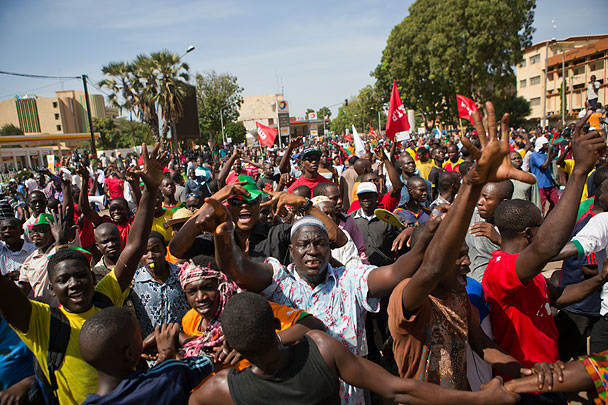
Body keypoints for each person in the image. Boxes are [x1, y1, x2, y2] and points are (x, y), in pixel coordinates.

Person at [207, 201, 449, 404]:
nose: (312, 250)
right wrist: (223, 235)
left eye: (320, 243)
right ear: (291, 251)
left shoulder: (351, 279)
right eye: (303, 244)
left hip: (351, 397)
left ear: (329, 249)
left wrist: (426, 236)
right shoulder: (278, 281)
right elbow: (236, 268)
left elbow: (396, 273)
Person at [0, 143, 169, 404]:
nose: (75, 284)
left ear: (92, 277)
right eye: (63, 280)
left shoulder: (105, 296)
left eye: (80, 275)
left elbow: (134, 247)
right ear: (52, 288)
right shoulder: (41, 322)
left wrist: (150, 189)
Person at [389, 103, 540, 390]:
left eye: (466, 255)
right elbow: (433, 266)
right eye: (457, 258)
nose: (467, 264)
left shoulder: (461, 298)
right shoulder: (409, 298)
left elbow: (482, 344)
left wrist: (528, 374)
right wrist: (473, 182)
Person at [189, 292, 520, 405]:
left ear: (230, 343)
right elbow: (398, 389)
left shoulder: (216, 392)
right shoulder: (320, 349)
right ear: (278, 325)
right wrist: (480, 398)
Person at [482, 112, 608, 403]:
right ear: (528, 234)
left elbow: (559, 296)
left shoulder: (529, 272)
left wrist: (602, 277)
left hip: (550, 378)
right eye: (541, 229)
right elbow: (547, 248)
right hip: (526, 385)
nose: (546, 234)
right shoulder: (502, 270)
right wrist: (578, 173)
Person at [80, 307, 213, 404]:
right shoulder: (168, 377)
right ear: (129, 353)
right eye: (139, 336)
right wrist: (167, 351)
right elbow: (215, 357)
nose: (143, 340)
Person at [132, 231, 190, 338]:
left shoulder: (182, 275)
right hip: (149, 345)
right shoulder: (134, 282)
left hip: (183, 341)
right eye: (145, 252)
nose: (151, 256)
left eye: (156, 250)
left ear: (165, 251)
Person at [465, 181, 514, 283]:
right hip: (471, 287)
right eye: (479, 196)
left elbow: (524, 259)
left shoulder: (514, 226)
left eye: (486, 198)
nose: (479, 202)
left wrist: (500, 241)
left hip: (494, 288)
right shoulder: (470, 217)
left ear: (503, 202)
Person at [352, 182, 402, 266]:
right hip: (359, 269)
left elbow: (408, 226)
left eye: (369, 196)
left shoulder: (387, 217)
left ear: (376, 197)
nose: (366, 199)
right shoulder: (351, 219)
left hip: (384, 267)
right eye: (362, 196)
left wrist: (406, 231)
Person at [529, 136, 559, 215]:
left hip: (548, 184)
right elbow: (544, 165)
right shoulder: (534, 155)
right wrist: (549, 152)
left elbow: (549, 160)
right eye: (545, 144)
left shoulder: (544, 154)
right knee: (541, 206)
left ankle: (548, 217)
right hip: (540, 185)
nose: (547, 146)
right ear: (540, 145)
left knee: (556, 202)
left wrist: (555, 151)